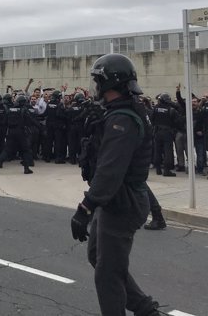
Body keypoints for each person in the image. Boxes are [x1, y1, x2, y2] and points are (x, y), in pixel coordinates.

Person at [70, 53, 165, 316]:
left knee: (108, 275)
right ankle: (145, 309)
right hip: (115, 199)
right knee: (98, 255)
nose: (95, 87)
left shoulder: (122, 119)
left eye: (98, 81)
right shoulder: (122, 112)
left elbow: (110, 171)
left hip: (122, 202)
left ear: (111, 83)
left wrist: (85, 207)